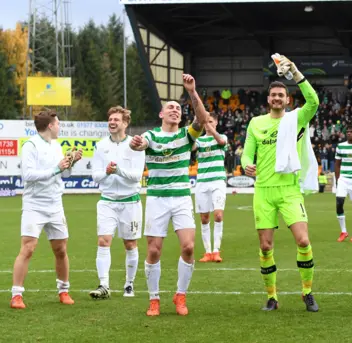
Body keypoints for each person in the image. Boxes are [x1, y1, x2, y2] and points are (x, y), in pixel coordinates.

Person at [241, 55, 320, 312]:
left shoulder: (296, 119)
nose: (277, 98)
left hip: (289, 190)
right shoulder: (256, 123)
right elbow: (246, 152)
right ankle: (272, 297)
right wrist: (245, 164)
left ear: (287, 100)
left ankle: (307, 292)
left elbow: (314, 101)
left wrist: (295, 73)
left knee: (303, 241)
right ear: (268, 99)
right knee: (265, 246)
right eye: (273, 95)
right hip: (263, 190)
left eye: (281, 96)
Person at [129, 74, 209, 316]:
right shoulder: (153, 136)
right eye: (169, 108)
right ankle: (154, 299)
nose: (174, 110)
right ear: (161, 115)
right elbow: (142, 143)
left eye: (177, 108)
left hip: (182, 198)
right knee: (154, 251)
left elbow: (202, 120)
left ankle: (180, 295)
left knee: (188, 247)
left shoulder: (187, 135)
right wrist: (137, 144)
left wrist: (192, 92)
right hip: (156, 199)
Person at [10, 109, 83, 309]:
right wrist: (57, 168)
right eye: (58, 123)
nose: (60, 127)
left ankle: (64, 290)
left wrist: (71, 164)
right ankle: (16, 295)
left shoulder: (56, 145)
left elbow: (64, 175)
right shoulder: (30, 145)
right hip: (35, 204)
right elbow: (29, 175)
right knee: (28, 248)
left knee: (61, 249)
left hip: (55, 204)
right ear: (50, 125)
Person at [89, 106, 145, 299]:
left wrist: (118, 170)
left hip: (130, 202)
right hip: (107, 201)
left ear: (125, 123)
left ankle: (129, 284)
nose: (112, 122)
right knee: (103, 241)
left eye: (116, 120)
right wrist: (106, 171)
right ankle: (104, 284)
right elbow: (95, 176)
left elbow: (137, 176)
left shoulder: (136, 144)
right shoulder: (100, 145)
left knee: (130, 244)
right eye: (110, 119)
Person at [192, 113, 228, 263]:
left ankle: (216, 250)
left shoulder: (223, 137)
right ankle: (207, 252)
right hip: (202, 183)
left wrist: (209, 128)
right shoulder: (200, 141)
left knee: (218, 215)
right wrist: (198, 126)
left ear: (216, 123)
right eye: (206, 121)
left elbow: (219, 140)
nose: (208, 124)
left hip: (218, 181)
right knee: (204, 218)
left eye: (211, 121)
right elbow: (191, 146)